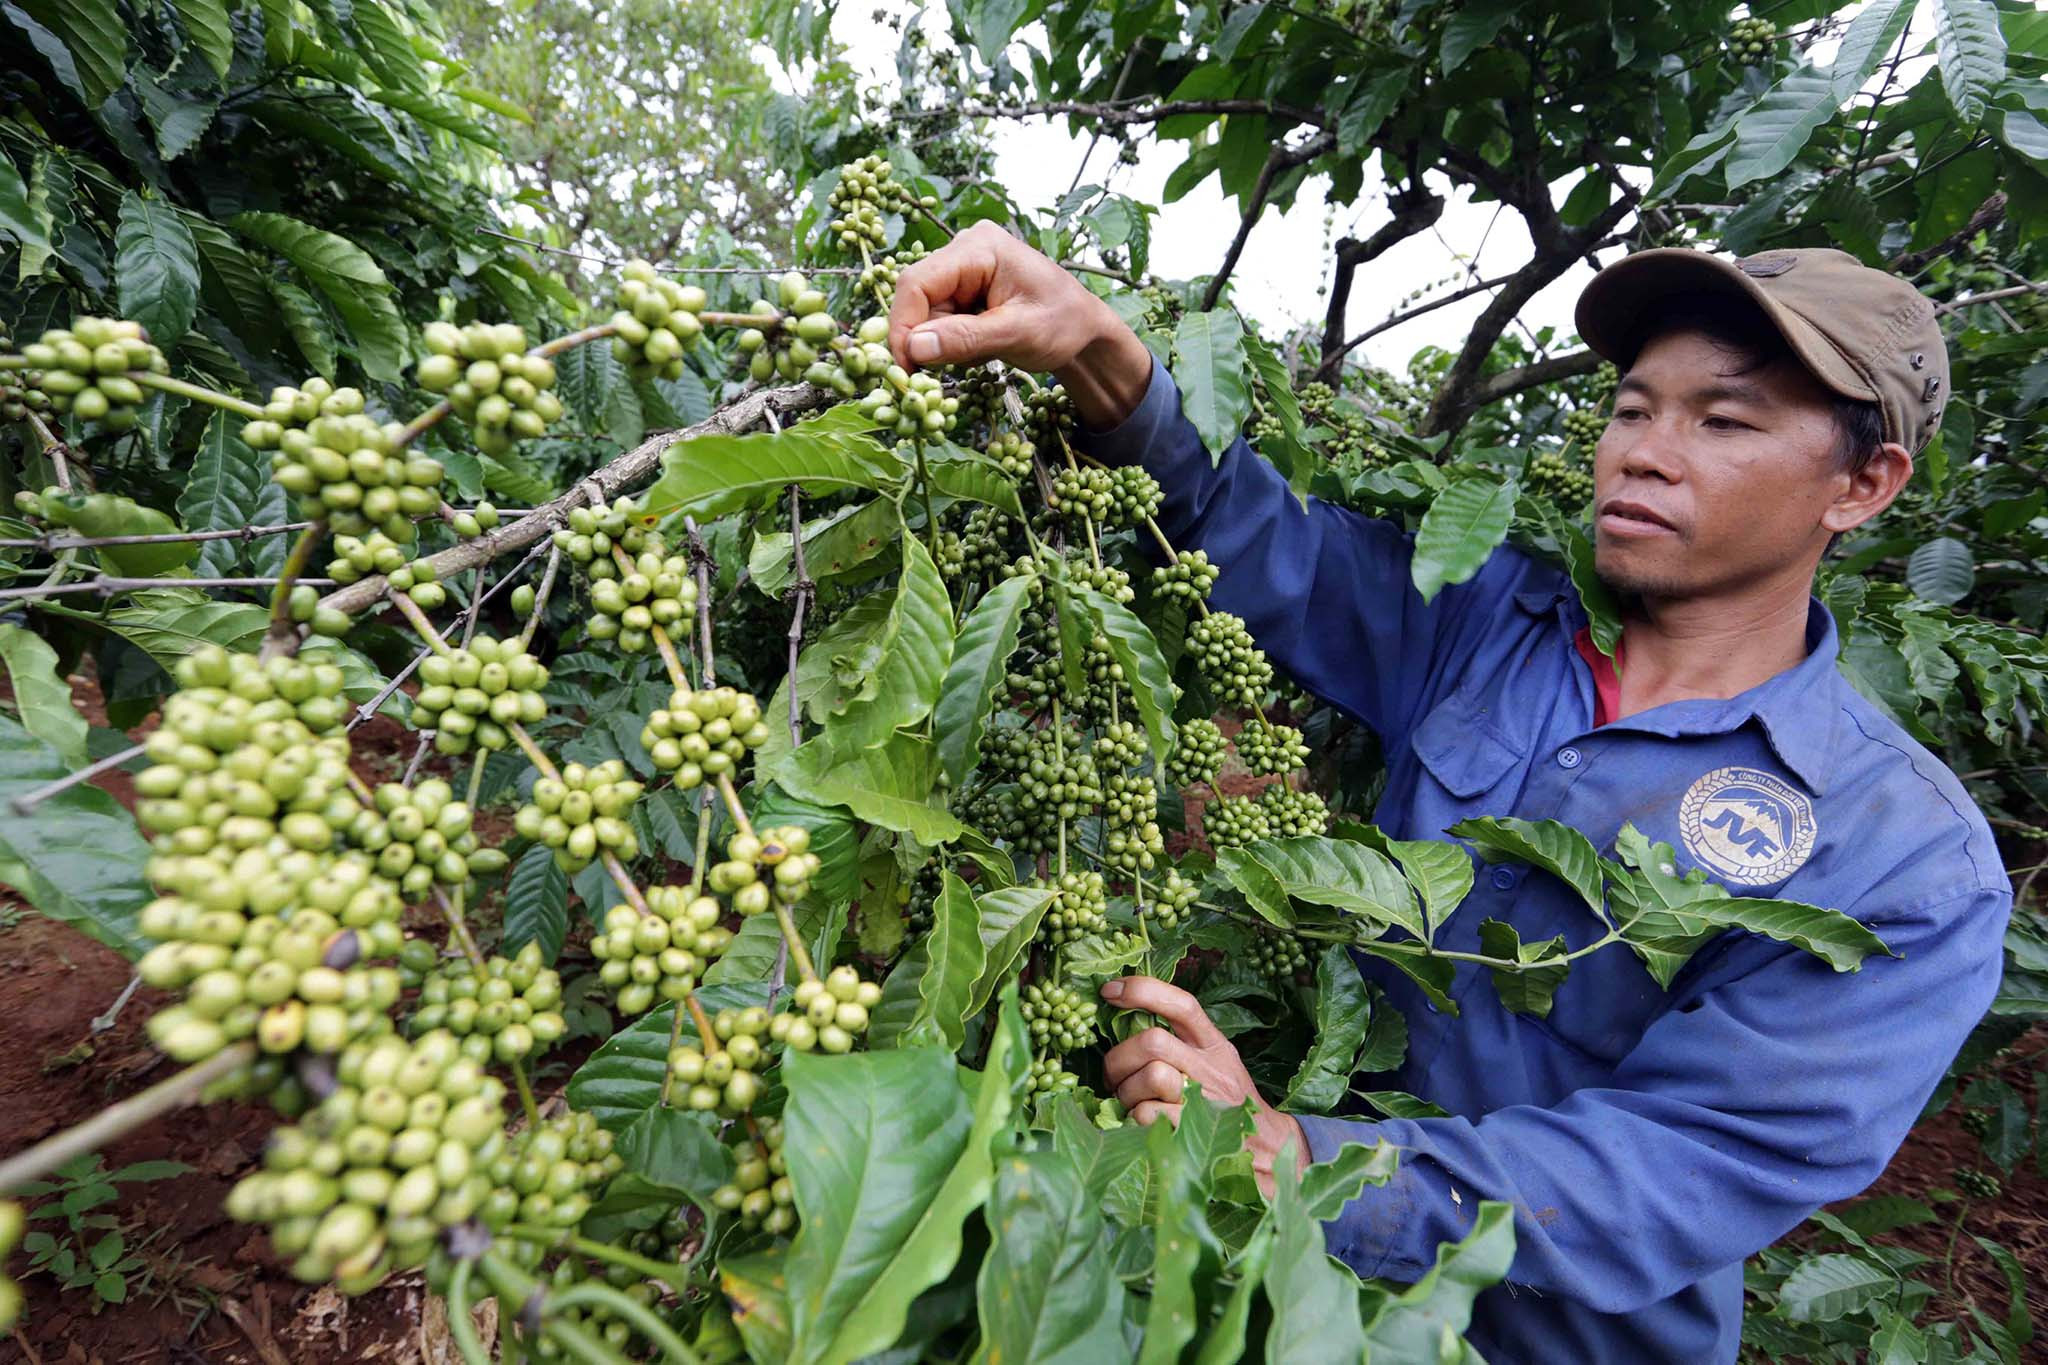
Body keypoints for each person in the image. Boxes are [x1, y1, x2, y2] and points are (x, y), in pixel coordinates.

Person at [886, 226, 2013, 1363]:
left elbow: (1681, 1161)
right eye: (1631, 409)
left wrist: (1298, 1164)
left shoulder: (1903, 857)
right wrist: (1098, 356)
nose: (1643, 453)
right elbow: (1260, 542)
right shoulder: (1483, 620)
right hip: (1285, 1304)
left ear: (1860, 484)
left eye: (1721, 421)